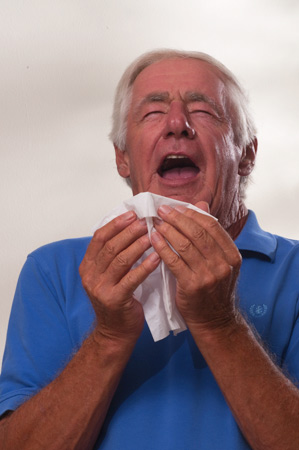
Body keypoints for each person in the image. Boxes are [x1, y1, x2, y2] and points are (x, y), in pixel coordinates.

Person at [0, 49, 299, 450]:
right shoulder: (53, 270)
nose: (178, 124)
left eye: (203, 110)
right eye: (153, 113)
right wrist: (107, 336)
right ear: (122, 159)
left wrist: (220, 325)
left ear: (246, 155)